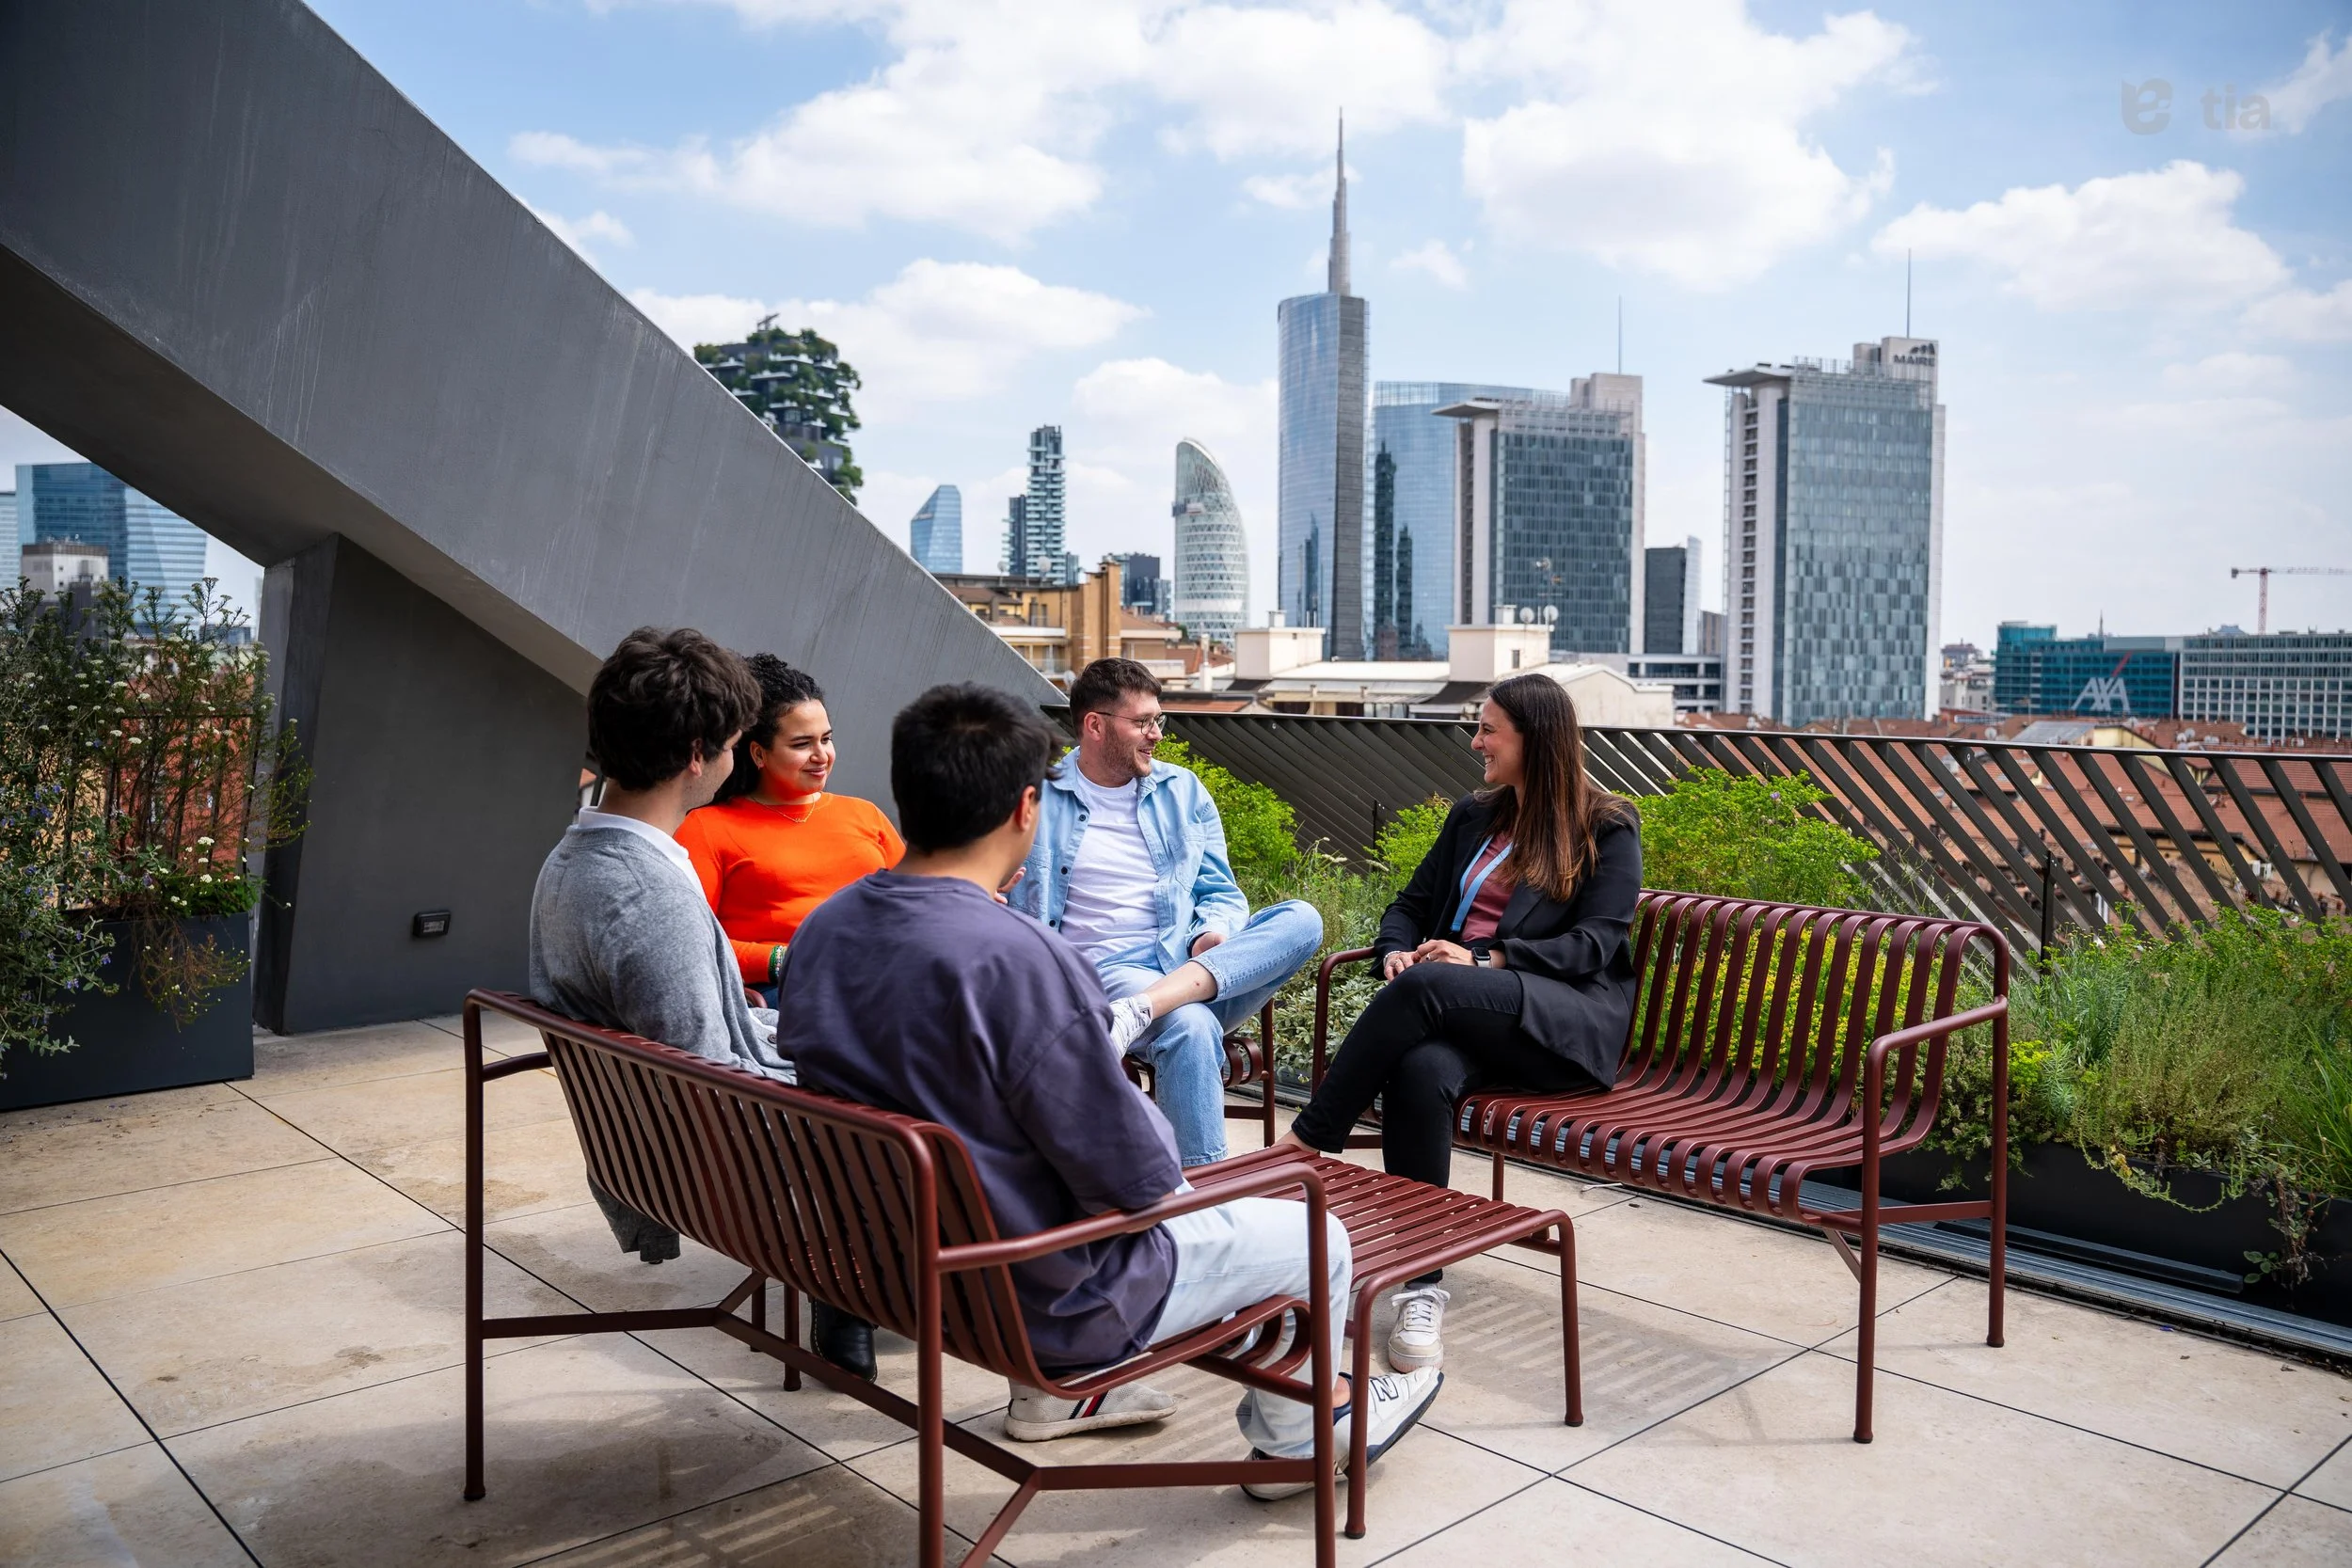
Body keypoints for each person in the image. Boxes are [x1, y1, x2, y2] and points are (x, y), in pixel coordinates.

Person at [780, 684, 1440, 1490]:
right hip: (1039, 1297)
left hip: (891, 1264)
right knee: (1316, 1235)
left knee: (1188, 1071)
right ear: (1029, 807)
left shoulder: (823, 931)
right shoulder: (1017, 962)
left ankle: (1291, 1408)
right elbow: (1139, 1179)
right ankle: (1303, 1434)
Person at [1279, 673, 1641, 1373]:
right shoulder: (1475, 816)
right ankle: (1423, 1281)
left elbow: (1592, 945)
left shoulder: (1606, 826)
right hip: (1469, 1016)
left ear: (1534, 740)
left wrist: (1483, 958)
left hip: (1560, 1026)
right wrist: (1392, 951)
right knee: (1420, 1071)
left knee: (1433, 984)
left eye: (1488, 729)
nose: (1476, 741)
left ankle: (1306, 1142)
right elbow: (1409, 904)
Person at [528, 627, 795, 1264]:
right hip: (716, 1167)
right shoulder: (647, 894)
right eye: (733, 746)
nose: (736, 763)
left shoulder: (571, 859)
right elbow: (711, 1086)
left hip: (642, 1149)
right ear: (699, 754)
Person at [1009, 657, 1322, 1168]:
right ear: (1095, 725)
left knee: (1303, 918)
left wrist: (1212, 932)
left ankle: (1148, 1009)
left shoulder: (1183, 790)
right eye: (1142, 723)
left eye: (1159, 720)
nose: (1156, 734)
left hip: (1192, 969)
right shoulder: (1036, 797)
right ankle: (1204, 1197)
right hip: (1106, 977)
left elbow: (1220, 891)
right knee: (1193, 1027)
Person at [677, 656, 903, 1008]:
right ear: (759, 754)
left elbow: (915, 897)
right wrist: (784, 959)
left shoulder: (864, 814)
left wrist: (958, 896)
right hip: (793, 993)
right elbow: (689, 943)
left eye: (826, 739)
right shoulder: (708, 827)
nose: (821, 755)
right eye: (802, 744)